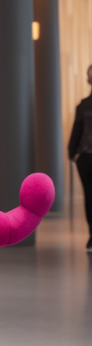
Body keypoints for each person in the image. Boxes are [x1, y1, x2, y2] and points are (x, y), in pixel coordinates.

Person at [68, 63, 92, 250]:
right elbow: (76, 132)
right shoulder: (83, 105)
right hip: (86, 158)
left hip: (84, 157)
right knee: (90, 196)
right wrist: (74, 154)